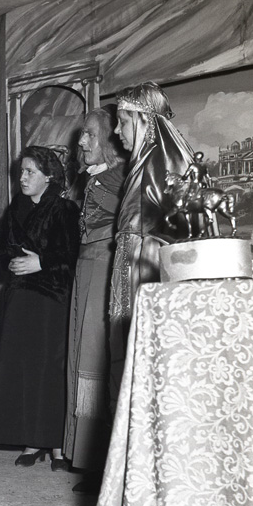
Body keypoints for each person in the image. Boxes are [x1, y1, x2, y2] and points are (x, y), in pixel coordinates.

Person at [0, 145, 80, 470]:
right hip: (19, 298)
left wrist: (41, 262)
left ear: (49, 176)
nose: (22, 178)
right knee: (23, 370)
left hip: (51, 299)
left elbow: (73, 255)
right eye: (21, 172)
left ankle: (56, 445)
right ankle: (31, 441)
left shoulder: (65, 210)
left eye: (30, 172)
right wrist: (11, 261)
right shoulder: (15, 209)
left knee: (50, 371)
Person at [109, 81, 194, 405]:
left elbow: (174, 237)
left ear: (145, 123)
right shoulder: (140, 169)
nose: (116, 131)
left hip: (149, 278)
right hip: (131, 276)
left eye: (123, 122)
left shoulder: (161, 171)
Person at [64, 105, 129, 495]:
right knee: (80, 359)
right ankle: (82, 453)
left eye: (90, 134)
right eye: (82, 134)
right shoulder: (90, 180)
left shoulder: (120, 178)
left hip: (106, 267)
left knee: (96, 362)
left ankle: (102, 461)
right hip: (84, 269)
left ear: (107, 139)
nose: (82, 141)